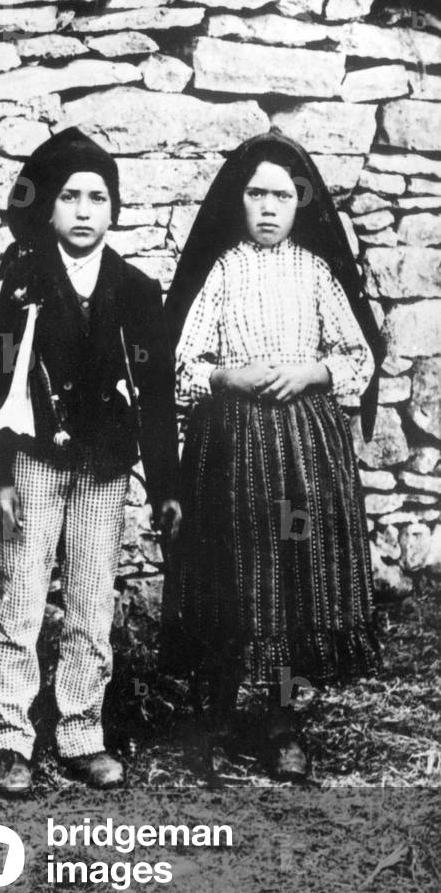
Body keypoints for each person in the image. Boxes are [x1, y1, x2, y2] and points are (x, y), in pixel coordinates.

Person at [162, 130, 384, 781]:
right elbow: (185, 362)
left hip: (303, 452)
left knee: (292, 581)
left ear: (299, 205)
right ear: (239, 199)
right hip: (231, 449)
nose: (266, 207)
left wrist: (314, 372)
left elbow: (358, 356)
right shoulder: (224, 269)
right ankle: (219, 716)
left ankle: (286, 724)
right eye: (256, 193)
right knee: (232, 577)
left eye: (281, 196)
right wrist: (227, 377)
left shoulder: (315, 272)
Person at [0, 127, 181, 796]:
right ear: (50, 209)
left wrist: (165, 481)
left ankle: (81, 730)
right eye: (71, 196)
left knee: (91, 597)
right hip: (35, 461)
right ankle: (9, 735)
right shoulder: (22, 288)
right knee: (23, 592)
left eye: (98, 196)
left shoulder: (137, 292)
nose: (85, 209)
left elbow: (155, 394)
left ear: (114, 208)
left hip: (104, 467)